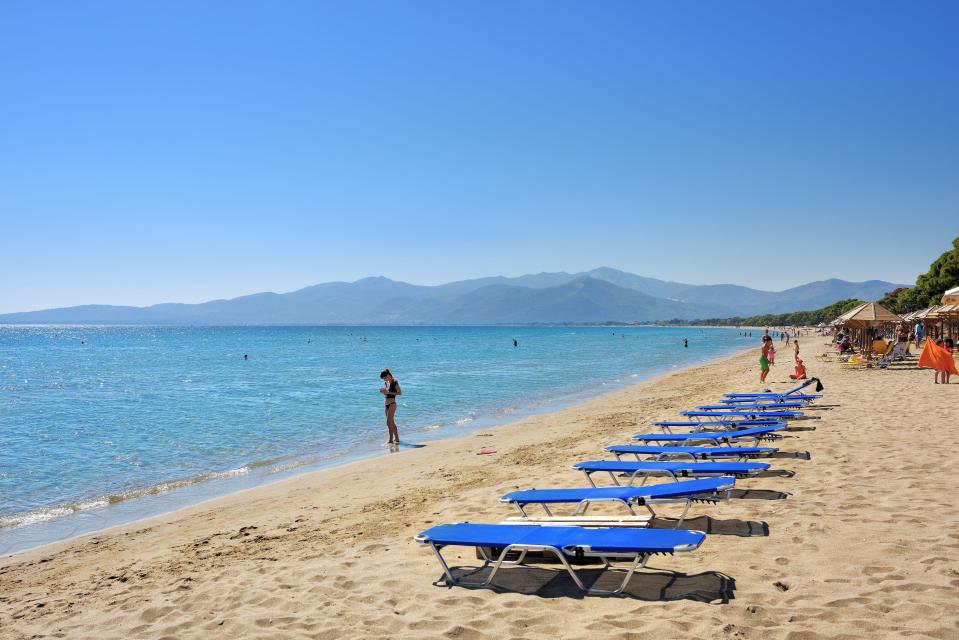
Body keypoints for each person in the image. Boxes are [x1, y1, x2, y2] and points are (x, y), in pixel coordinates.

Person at [379, 368, 402, 444]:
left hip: (392, 404)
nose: (384, 380)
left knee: (388, 422)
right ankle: (397, 438)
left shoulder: (395, 382)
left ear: (388, 375)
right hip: (386, 404)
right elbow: (387, 394)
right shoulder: (386, 383)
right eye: (383, 379)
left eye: (385, 378)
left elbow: (400, 393)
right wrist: (383, 392)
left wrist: (389, 392)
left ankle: (390, 440)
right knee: (391, 422)